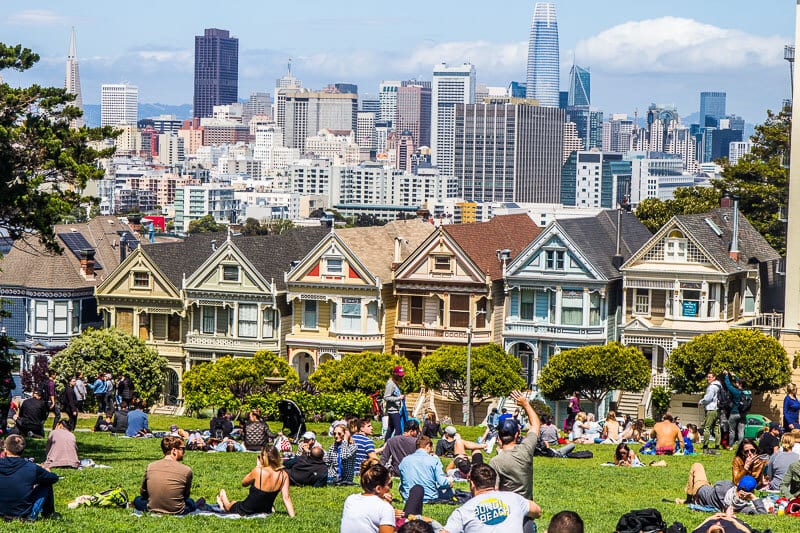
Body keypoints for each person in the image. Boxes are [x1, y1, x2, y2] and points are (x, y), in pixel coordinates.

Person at [489, 390, 540, 533]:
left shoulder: (495, 462)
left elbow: (495, 491)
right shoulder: (526, 450)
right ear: (517, 435)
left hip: (506, 516)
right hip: (526, 514)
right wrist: (525, 404)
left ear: (499, 436)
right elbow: (535, 425)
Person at [442, 463, 541, 533]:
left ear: (472, 484)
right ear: (494, 482)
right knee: (528, 522)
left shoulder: (463, 511)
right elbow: (537, 511)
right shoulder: (514, 498)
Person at [216, 445, 295, 517]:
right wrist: (293, 516)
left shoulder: (258, 471)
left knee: (233, 503)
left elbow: (244, 483)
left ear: (264, 458)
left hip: (246, 510)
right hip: (265, 510)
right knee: (237, 503)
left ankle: (223, 501)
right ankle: (223, 502)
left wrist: (258, 467)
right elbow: (286, 498)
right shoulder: (284, 475)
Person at [0, 435, 59, 519]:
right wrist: (46, 471)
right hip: (23, 514)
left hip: (1, 512)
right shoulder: (32, 468)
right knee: (47, 483)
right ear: (23, 450)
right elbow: (54, 478)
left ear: (5, 449)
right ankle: (48, 513)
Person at [133, 436, 195, 514]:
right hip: (176, 510)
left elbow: (143, 492)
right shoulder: (186, 470)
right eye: (182, 448)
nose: (184, 451)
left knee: (138, 500)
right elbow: (185, 495)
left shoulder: (151, 466)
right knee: (191, 502)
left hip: (152, 507)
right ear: (174, 450)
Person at [679, 463, 766, 514]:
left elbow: (717, 485)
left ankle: (689, 498)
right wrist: (754, 498)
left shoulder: (725, 486)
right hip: (703, 495)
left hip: (700, 488)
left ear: (738, 484)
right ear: (751, 492)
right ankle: (689, 499)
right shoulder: (741, 508)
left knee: (697, 465)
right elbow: (762, 514)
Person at [340, 461, 396, 533]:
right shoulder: (385, 508)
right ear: (378, 488)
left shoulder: (351, 500)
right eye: (389, 484)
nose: (390, 488)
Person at [399, 435, 452, 503]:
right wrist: (449, 483)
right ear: (428, 446)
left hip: (409, 498)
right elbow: (442, 482)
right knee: (449, 490)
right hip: (429, 498)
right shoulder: (434, 460)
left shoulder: (405, 460)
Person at [699, 372, 722, 453]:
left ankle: (705, 445)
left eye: (710, 377)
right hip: (718, 409)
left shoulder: (712, 387)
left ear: (714, 377)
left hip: (711, 409)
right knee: (717, 427)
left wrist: (701, 401)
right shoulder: (719, 386)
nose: (708, 378)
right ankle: (717, 445)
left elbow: (708, 398)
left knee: (707, 427)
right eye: (707, 377)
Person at [384, 365, 406, 441]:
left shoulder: (395, 384)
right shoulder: (390, 384)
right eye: (399, 376)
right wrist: (398, 398)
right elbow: (386, 397)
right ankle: (395, 445)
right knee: (398, 430)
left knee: (390, 429)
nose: (401, 378)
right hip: (392, 410)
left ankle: (386, 445)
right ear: (395, 375)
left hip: (396, 409)